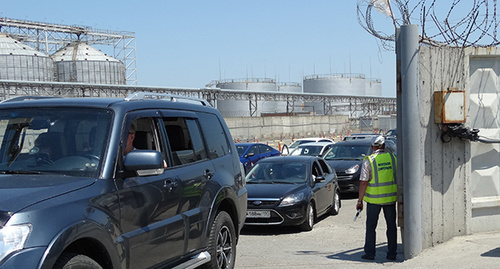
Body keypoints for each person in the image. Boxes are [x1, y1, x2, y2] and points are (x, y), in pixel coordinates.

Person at [356, 135, 398, 261]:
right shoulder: (393, 158)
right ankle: (392, 254)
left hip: (374, 201)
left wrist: (360, 201)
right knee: (391, 227)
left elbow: (363, 182)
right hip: (390, 199)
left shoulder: (368, 160)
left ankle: (370, 254)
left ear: (372, 147)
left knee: (371, 227)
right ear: (384, 145)